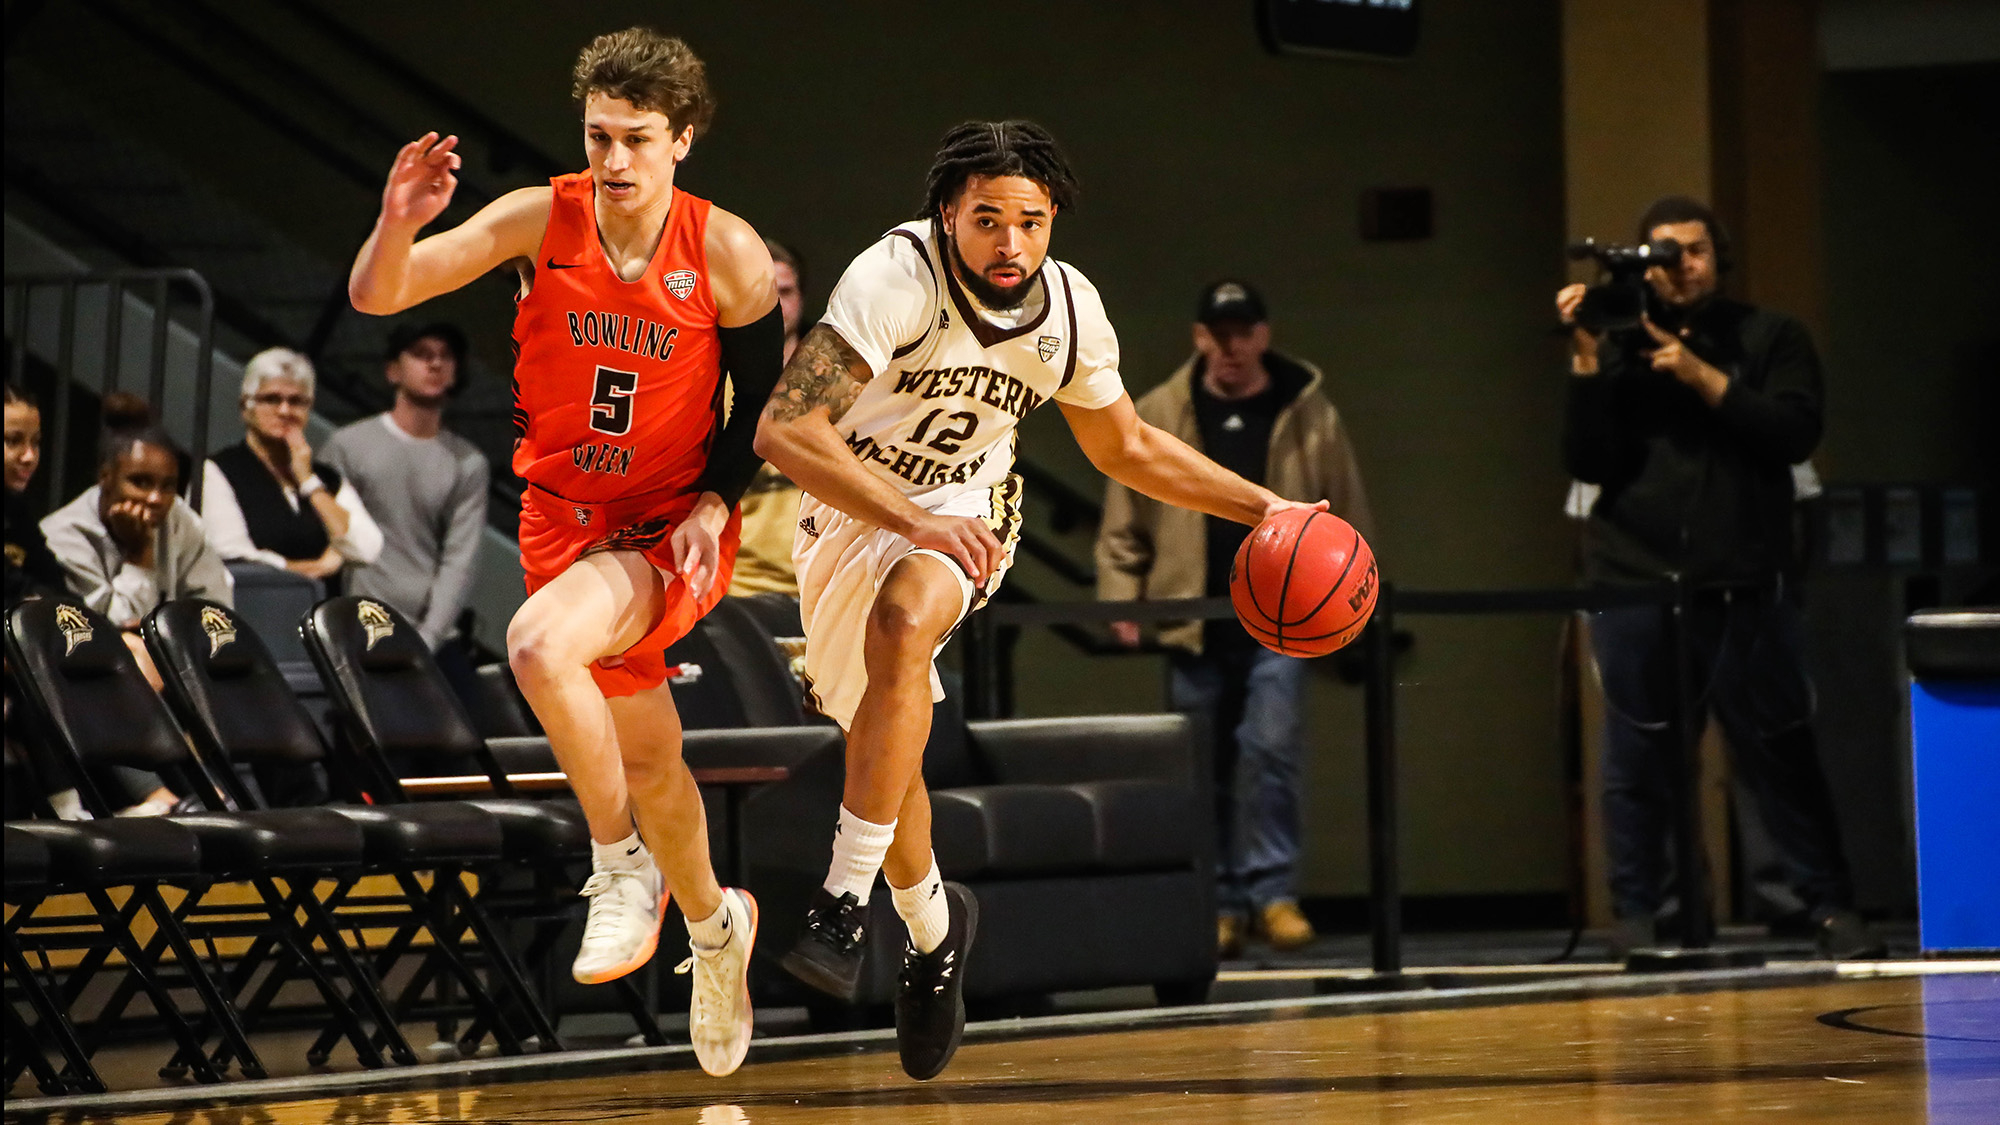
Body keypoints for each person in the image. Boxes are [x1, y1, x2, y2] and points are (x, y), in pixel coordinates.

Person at [754, 120, 1326, 1081]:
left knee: (904, 622)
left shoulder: (1070, 309)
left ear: (1053, 220)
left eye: (1030, 221)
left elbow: (1127, 448)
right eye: (987, 220)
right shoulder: (893, 277)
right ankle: (936, 932)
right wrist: (904, 516)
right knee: (880, 742)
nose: (1010, 244)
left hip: (970, 503)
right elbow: (783, 428)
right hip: (850, 502)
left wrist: (1265, 505)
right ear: (949, 214)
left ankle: (842, 900)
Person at [346, 27, 782, 1078]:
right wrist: (398, 223)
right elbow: (379, 295)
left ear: (682, 139)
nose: (614, 160)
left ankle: (617, 863)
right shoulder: (543, 216)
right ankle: (717, 926)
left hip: (663, 527)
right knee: (651, 757)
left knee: (537, 647)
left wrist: (717, 506)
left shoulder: (724, 251)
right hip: (561, 518)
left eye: (636, 138)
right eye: (598, 137)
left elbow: (759, 398)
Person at [1557, 195, 1879, 959]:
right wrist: (1585, 356)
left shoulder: (1770, 336)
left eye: (1693, 251)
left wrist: (1702, 375)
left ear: (1717, 257)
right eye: (1662, 253)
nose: (1679, 266)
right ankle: (1642, 913)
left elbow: (1795, 431)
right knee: (1637, 758)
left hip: (1744, 581)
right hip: (1635, 578)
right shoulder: (1617, 347)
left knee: (1778, 751)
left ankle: (1826, 904)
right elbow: (1587, 461)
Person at [1096, 279, 1374, 959]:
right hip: (1195, 614)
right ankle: (1217, 900)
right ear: (1199, 338)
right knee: (1202, 764)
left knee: (1271, 749)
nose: (1231, 346)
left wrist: (1362, 599)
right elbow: (1123, 517)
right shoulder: (1162, 407)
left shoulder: (1308, 411)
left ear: (1263, 335)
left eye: (1243, 332)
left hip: (1283, 617)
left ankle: (1273, 893)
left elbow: (1348, 512)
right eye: (1218, 334)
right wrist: (1120, 591)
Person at [39, 416, 230, 817]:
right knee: (120, 666)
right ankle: (163, 800)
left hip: (170, 664)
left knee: (231, 670)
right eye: (140, 482)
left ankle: (261, 809)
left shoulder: (182, 521)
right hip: (92, 675)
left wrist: (166, 653)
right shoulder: (63, 535)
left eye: (168, 485)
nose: (157, 499)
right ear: (106, 478)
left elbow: (215, 611)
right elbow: (90, 634)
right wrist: (140, 555)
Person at [322, 323, 488, 671]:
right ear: (392, 370)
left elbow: (459, 559)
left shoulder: (467, 463)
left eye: (445, 356)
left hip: (432, 636)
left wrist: (428, 638)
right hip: (354, 627)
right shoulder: (348, 446)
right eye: (421, 354)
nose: (435, 364)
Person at [202, 348, 383, 583]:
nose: (285, 410)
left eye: (296, 401)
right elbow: (233, 557)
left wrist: (309, 482)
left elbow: (366, 548)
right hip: (252, 610)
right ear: (245, 408)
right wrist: (316, 568)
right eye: (271, 399)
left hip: (320, 615)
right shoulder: (218, 471)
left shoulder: (325, 478)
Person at [728, 238, 808, 600]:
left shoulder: (847, 384)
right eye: (765, 292)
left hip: (822, 589)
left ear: (802, 299)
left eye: (786, 292)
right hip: (737, 592)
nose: (777, 305)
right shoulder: (709, 385)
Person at [4, 383, 65, 605]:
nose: (29, 456)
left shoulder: (15, 508)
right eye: (13, 441)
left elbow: (54, 585)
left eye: (36, 442)